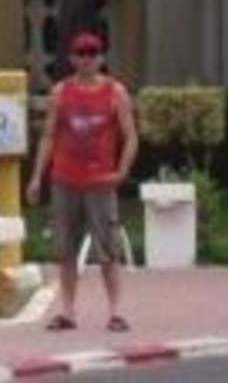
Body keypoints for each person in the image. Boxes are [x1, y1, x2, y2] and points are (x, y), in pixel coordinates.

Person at [25, 29, 138, 332]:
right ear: (72, 58)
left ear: (100, 58)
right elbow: (49, 136)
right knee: (65, 250)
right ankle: (68, 311)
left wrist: (122, 171)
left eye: (92, 53)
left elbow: (130, 136)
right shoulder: (60, 93)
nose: (87, 59)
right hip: (65, 180)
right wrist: (37, 177)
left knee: (108, 249)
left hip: (100, 182)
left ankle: (116, 312)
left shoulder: (115, 92)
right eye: (81, 54)